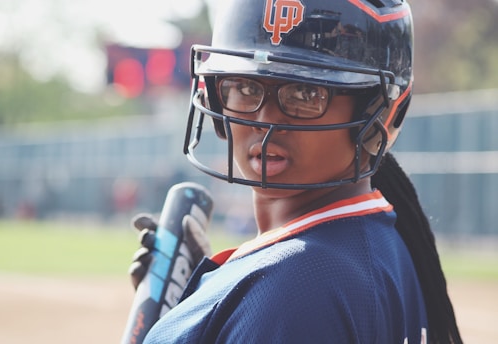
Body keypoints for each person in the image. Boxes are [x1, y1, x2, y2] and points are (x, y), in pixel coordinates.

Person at [128, 0, 463, 342]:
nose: (266, 121)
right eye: (246, 87)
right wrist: (208, 300)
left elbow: (292, 300)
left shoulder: (290, 290)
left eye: (305, 93)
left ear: (378, 114)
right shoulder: (382, 243)